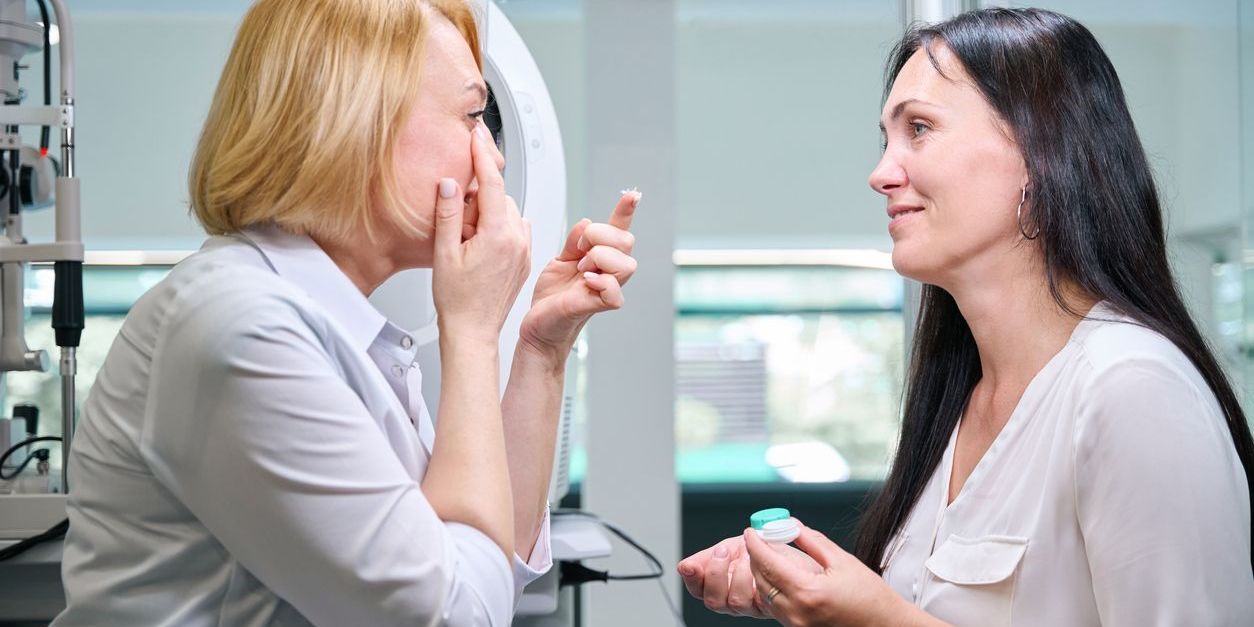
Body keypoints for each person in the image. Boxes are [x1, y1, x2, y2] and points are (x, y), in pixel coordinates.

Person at [53, 1, 639, 625]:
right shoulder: (242, 327)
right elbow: (459, 615)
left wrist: (541, 351)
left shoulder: (335, 330)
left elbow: (489, 572)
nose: (494, 159)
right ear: (358, 121)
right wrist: (471, 332)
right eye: (474, 116)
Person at [679, 8, 1254, 626]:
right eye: (886, 140)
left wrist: (875, 619)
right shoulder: (963, 398)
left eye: (919, 128)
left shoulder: (1132, 388)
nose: (881, 174)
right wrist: (813, 591)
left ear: (1039, 151)